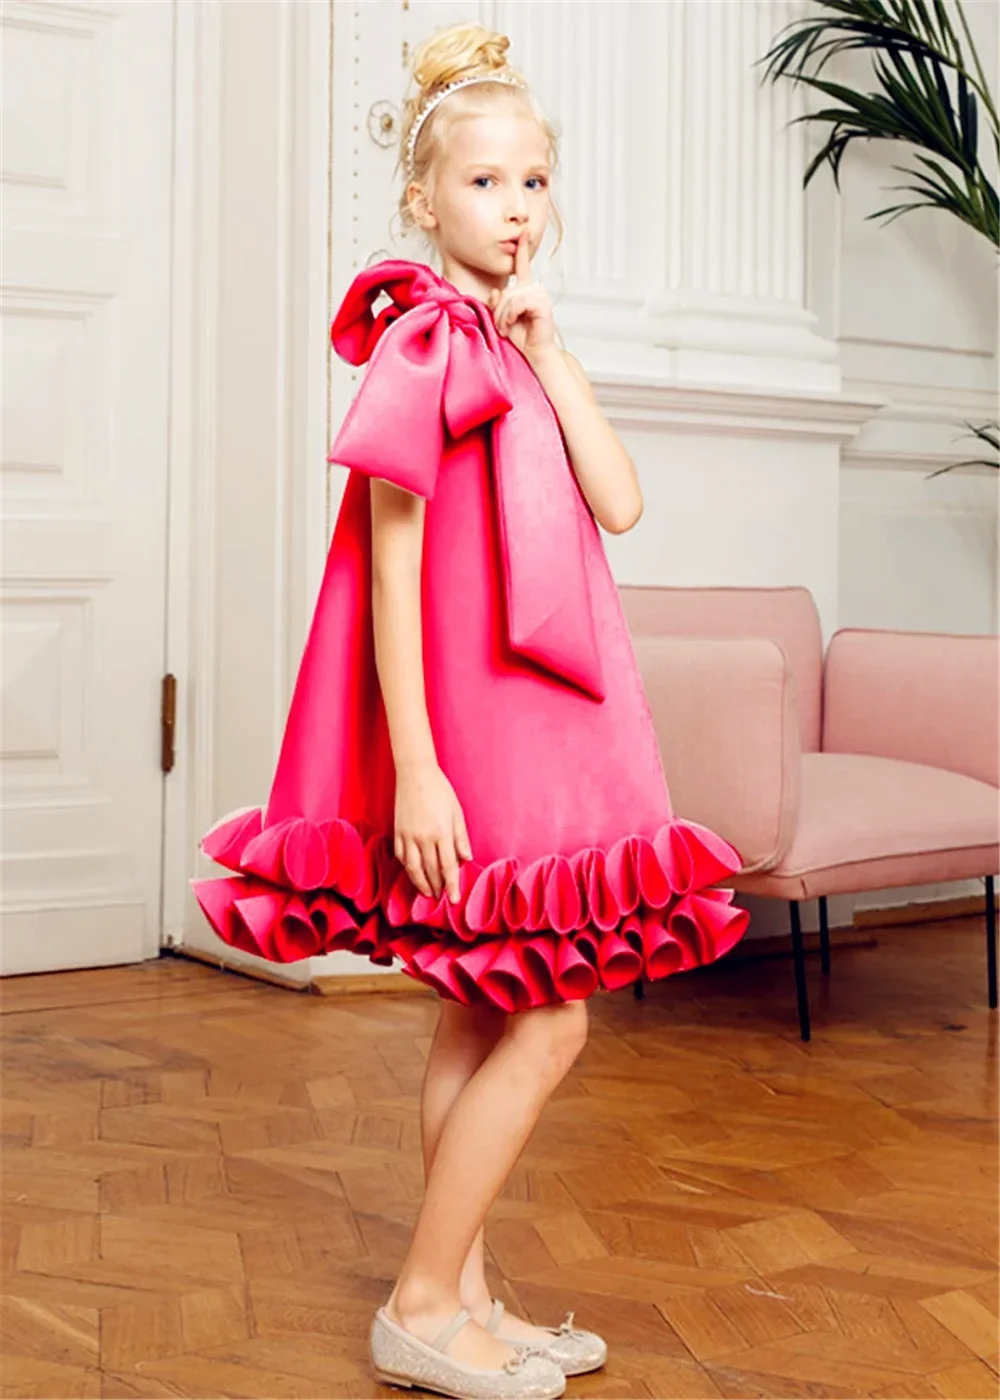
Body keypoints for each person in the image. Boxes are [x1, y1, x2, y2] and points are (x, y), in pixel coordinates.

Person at [193, 21, 749, 1400]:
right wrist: (420, 771)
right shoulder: (423, 348)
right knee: (551, 1022)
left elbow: (619, 501)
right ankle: (424, 1301)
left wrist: (554, 353)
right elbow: (390, 574)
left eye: (534, 181)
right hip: (477, 739)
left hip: (554, 727)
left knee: (478, 1010)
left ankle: (472, 1301)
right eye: (485, 182)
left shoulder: (515, 345)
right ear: (423, 197)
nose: (514, 208)